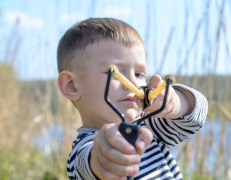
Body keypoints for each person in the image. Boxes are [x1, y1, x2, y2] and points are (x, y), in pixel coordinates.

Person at [57, 17, 208, 180]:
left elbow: (195, 118)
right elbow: (88, 164)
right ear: (71, 85)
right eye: (115, 73)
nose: (132, 84)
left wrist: (174, 102)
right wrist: (103, 155)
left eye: (139, 74)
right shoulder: (83, 151)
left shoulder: (148, 129)